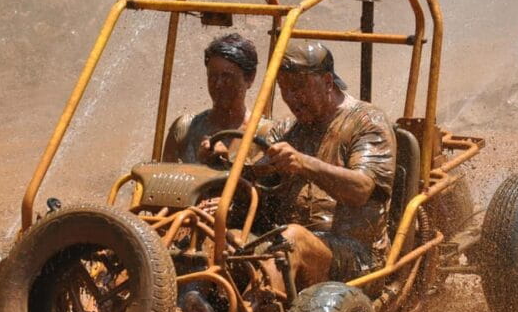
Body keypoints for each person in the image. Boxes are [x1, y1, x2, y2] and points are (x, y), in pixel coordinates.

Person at [260, 40, 397, 291]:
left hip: (358, 257)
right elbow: (254, 174)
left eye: (299, 87)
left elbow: (361, 190)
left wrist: (304, 163)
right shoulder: (286, 130)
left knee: (292, 241)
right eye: (284, 89)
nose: (291, 98)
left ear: (327, 82)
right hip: (288, 244)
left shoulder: (366, 122)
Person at [162, 33, 268, 164]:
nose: (218, 84)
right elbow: (164, 180)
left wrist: (226, 163)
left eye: (227, 77)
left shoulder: (264, 133)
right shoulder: (185, 130)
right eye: (212, 76)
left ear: (250, 78)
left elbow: (267, 183)